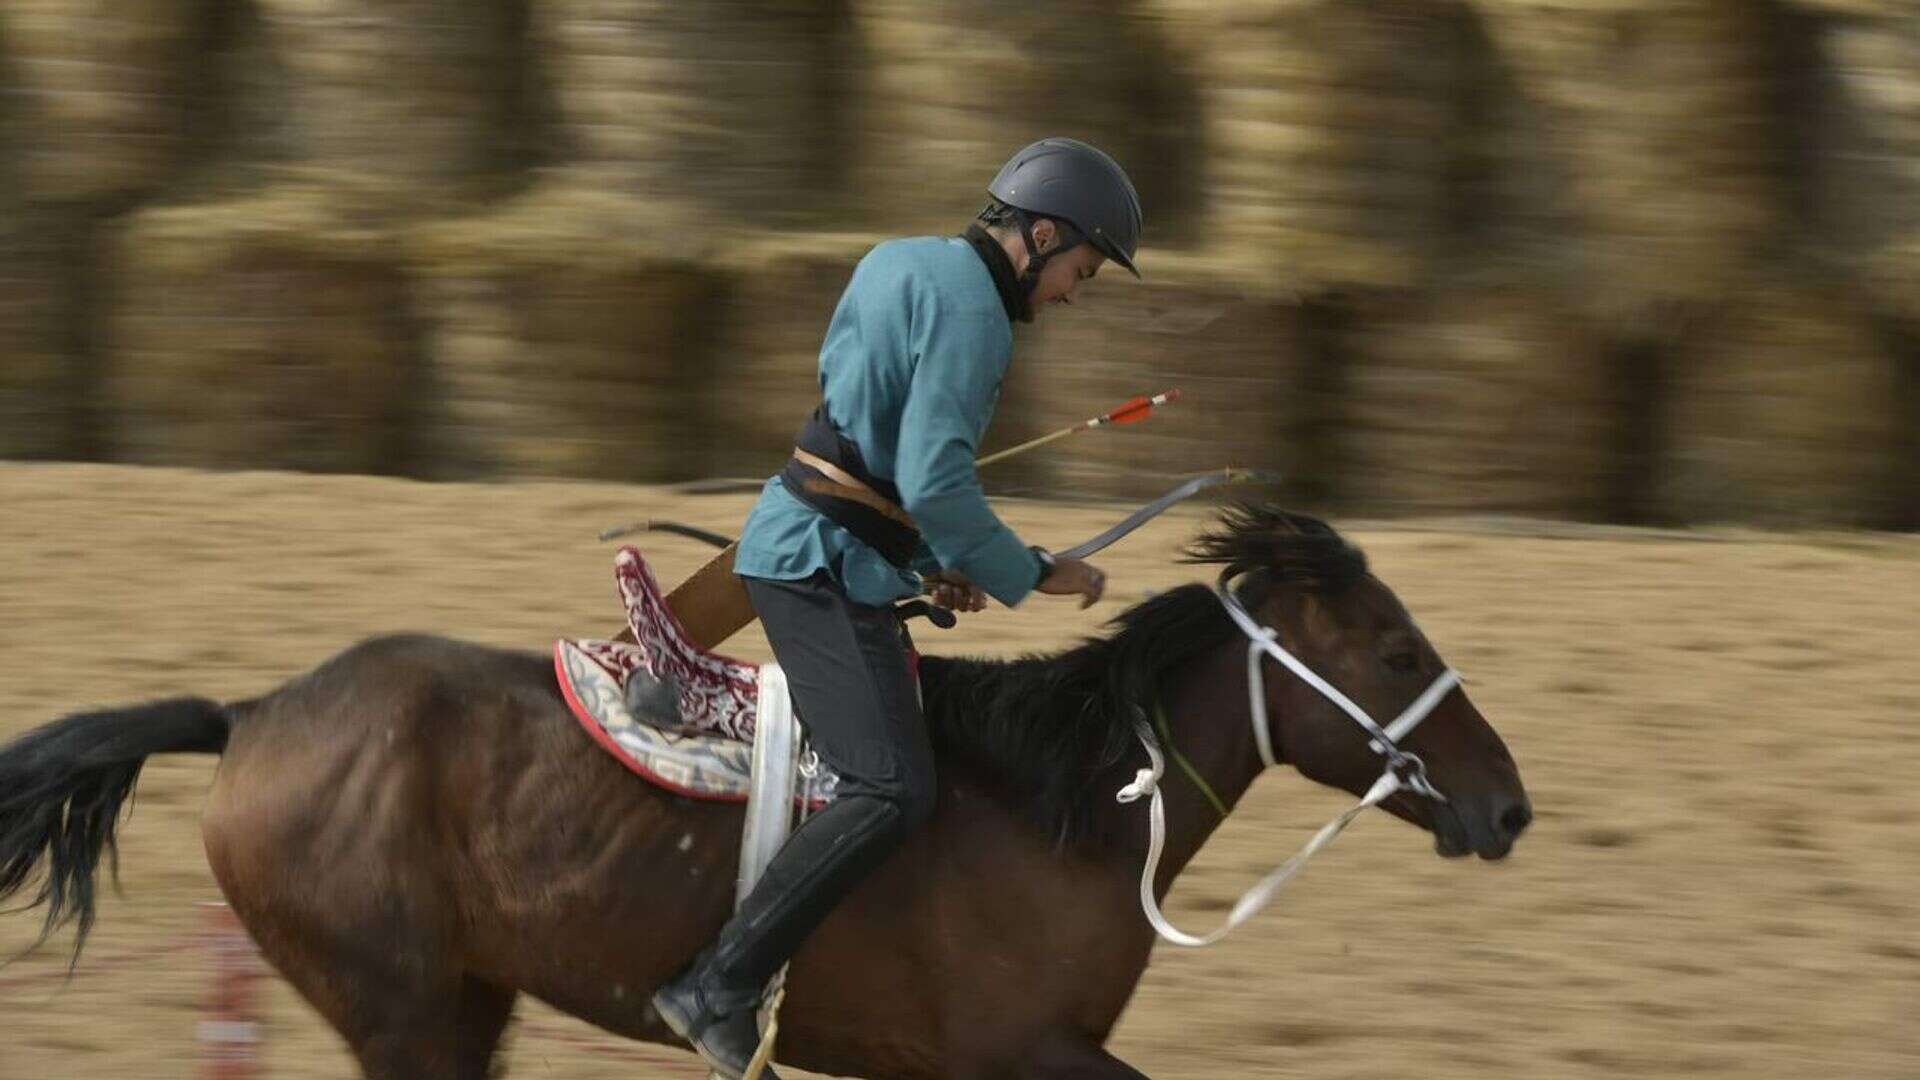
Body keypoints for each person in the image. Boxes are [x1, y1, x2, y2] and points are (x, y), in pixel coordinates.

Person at [651, 137, 1144, 1078]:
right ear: (1041, 237)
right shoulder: (977, 318)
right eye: (1081, 270)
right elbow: (933, 476)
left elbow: (861, 451)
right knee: (890, 787)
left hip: (820, 543)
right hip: (816, 565)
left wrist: (923, 562)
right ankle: (718, 983)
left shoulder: (898, 260)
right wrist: (1029, 569)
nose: (1075, 292)